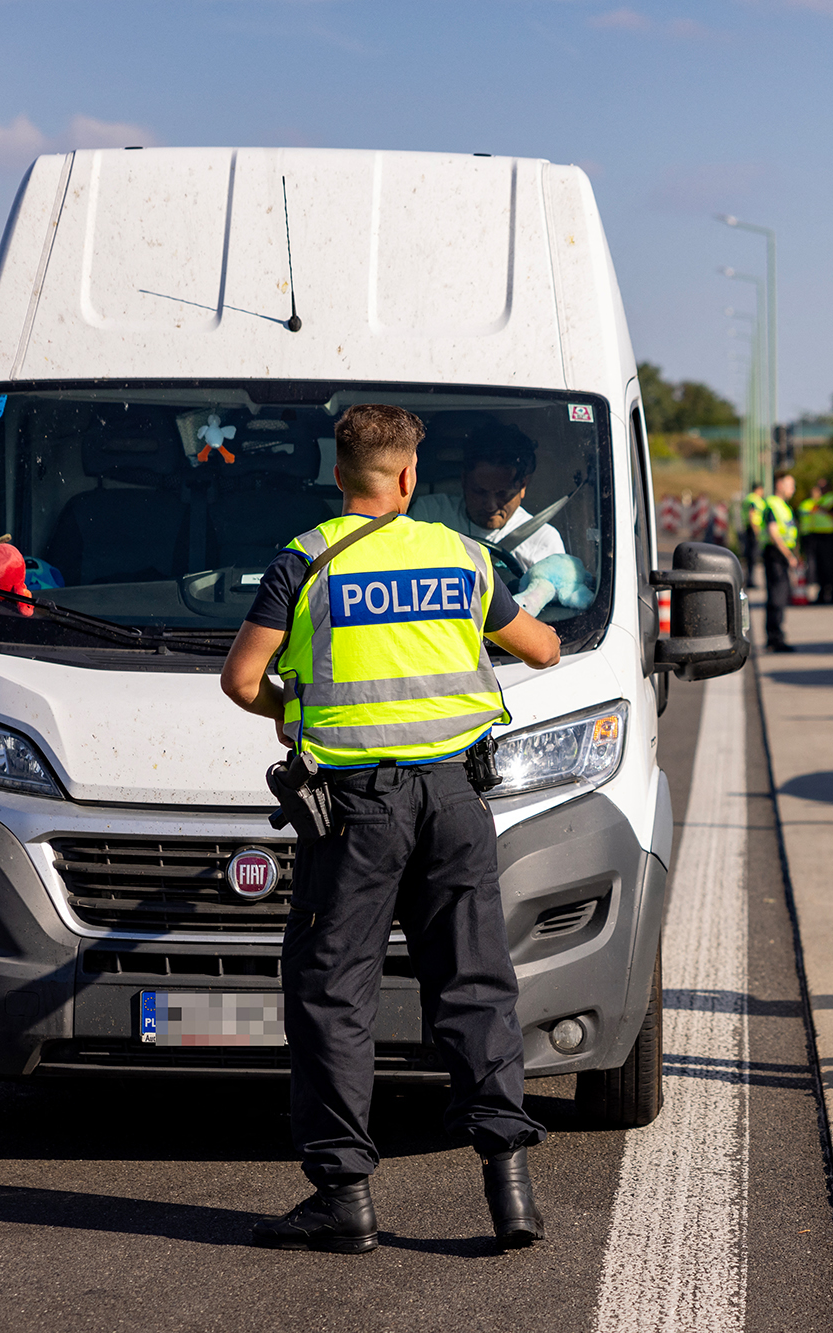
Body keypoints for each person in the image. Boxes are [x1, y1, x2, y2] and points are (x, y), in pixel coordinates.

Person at [220, 403, 562, 1253]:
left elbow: (241, 679)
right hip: (455, 801)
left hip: (357, 813)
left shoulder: (304, 559)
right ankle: (509, 1189)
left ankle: (344, 1198)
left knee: (335, 992)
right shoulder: (461, 555)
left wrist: (291, 705)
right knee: (475, 983)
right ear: (409, 477)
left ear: (339, 477)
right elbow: (545, 649)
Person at [410, 425, 567, 567]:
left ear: (523, 486)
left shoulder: (542, 539)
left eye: (503, 494)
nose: (490, 505)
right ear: (464, 480)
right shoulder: (429, 515)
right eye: (479, 491)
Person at [761, 474, 799, 652]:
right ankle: (775, 638)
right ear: (779, 484)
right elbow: (773, 533)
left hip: (781, 555)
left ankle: (776, 637)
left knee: (781, 596)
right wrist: (788, 556)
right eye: (790, 485)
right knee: (777, 596)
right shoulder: (773, 505)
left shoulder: (783, 506)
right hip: (776, 554)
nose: (793, 489)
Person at [797, 479, 833, 603]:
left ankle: (832, 593)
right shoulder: (815, 502)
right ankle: (823, 593)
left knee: (828, 566)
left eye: (821, 488)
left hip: (828, 535)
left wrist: (822, 509)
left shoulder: (831, 499)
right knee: (820, 566)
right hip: (816, 535)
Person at [741, 483, 766, 589]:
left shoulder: (748, 498)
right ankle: (750, 580)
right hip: (753, 529)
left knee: (750, 555)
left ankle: (749, 579)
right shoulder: (754, 500)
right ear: (759, 489)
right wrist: (756, 530)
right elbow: (752, 514)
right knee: (753, 555)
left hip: (748, 528)